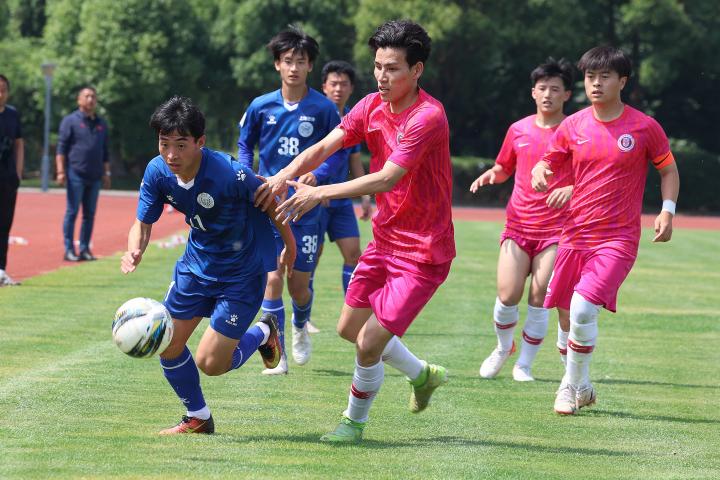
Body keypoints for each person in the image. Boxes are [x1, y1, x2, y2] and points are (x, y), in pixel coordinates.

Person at [256, 20, 455, 443]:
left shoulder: (428, 117)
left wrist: (320, 192)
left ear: (416, 70)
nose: (382, 76)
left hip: (424, 252)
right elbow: (324, 146)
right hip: (385, 242)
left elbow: (386, 178)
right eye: (378, 66)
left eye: (393, 68)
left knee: (368, 342)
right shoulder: (370, 105)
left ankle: (353, 423)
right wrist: (283, 175)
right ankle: (422, 375)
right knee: (349, 329)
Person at [120, 96, 295, 434]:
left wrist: (289, 246)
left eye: (180, 145)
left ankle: (264, 332)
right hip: (195, 268)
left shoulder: (231, 173)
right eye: (164, 144)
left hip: (241, 275)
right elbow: (142, 222)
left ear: (200, 142)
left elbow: (272, 204)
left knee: (211, 363)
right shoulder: (158, 171)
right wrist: (135, 250)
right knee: (167, 343)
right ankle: (198, 417)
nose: (171, 154)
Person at [531, 46, 680, 415]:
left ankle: (568, 388)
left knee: (583, 309)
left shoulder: (644, 127)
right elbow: (549, 160)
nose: (595, 84)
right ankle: (582, 385)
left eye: (605, 77)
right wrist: (540, 171)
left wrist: (667, 211)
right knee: (566, 317)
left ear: (622, 81)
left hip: (617, 239)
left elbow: (668, 170)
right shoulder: (572, 125)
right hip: (574, 236)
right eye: (590, 77)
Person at [237, 27, 343, 373]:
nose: (294, 67)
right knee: (271, 277)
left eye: (300, 61)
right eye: (287, 61)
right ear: (277, 65)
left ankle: (300, 323)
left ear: (310, 65)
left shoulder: (324, 109)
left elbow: (338, 152)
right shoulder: (260, 106)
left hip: (305, 207)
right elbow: (244, 145)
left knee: (299, 287)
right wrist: (246, 176)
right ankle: (277, 354)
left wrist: (319, 175)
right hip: (268, 203)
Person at [470, 58, 575, 382]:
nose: (548, 94)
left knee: (541, 295)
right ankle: (504, 348)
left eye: (555, 89)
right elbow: (505, 167)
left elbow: (590, 174)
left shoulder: (575, 131)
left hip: (556, 229)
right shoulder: (519, 129)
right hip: (518, 226)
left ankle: (524, 365)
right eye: (542, 88)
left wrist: (571, 189)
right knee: (507, 295)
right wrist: (492, 174)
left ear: (567, 95)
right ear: (533, 92)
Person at [314, 60, 372, 305]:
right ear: (324, 86)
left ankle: (352, 311)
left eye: (344, 84)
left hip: (341, 202)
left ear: (351, 88)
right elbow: (306, 157)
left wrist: (366, 197)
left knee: (353, 254)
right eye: (333, 83)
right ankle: (303, 319)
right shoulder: (313, 115)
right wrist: (316, 190)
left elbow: (354, 160)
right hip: (314, 200)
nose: (338, 89)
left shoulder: (352, 117)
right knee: (311, 259)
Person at [56, 86, 111, 262]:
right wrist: (60, 171)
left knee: (89, 214)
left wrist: (107, 172)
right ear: (79, 100)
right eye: (86, 96)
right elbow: (61, 149)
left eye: (93, 96)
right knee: (72, 212)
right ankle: (69, 250)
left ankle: (85, 249)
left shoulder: (101, 123)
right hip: (75, 174)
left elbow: (105, 151)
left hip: (95, 176)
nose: (90, 99)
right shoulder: (70, 121)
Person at [0, 74, 24, 286]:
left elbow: (19, 143)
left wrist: (18, 171)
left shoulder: (12, 115)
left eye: (3, 90)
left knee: (4, 224)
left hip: (7, 178)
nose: (0, 94)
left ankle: (1, 270)